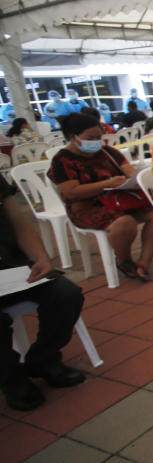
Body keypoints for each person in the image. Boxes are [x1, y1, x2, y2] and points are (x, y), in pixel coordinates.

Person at [0, 176, 85, 411]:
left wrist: (41, 257)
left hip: (11, 267)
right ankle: (12, 379)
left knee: (66, 294)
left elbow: (18, 221)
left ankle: (43, 359)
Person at [47, 113, 153, 282]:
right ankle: (124, 260)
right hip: (86, 208)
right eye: (90, 138)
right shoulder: (62, 160)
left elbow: (128, 171)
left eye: (99, 137)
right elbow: (71, 192)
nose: (96, 141)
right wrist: (106, 183)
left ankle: (144, 262)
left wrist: (134, 179)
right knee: (125, 223)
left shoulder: (108, 153)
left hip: (120, 201)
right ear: (73, 137)